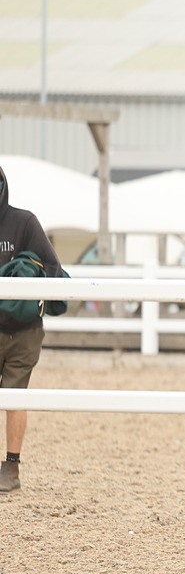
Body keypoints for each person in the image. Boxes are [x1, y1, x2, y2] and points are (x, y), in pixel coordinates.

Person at [0, 164, 64, 492]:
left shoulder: (24, 222)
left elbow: (53, 267)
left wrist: (25, 290)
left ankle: (11, 467)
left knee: (14, 395)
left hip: (24, 331)